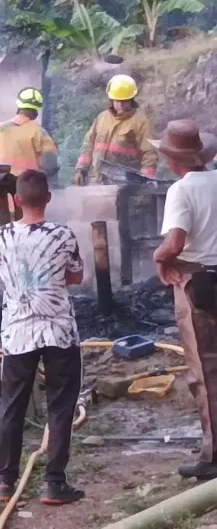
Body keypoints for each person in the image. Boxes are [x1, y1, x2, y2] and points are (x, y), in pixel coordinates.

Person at [0, 169, 85, 505]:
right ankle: (54, 484)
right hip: (58, 330)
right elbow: (76, 276)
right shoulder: (63, 235)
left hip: (18, 332)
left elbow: (0, 276)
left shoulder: (2, 237)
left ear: (17, 200)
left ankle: (4, 481)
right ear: (48, 198)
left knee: (12, 406)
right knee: (60, 406)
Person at [151, 120, 217, 480]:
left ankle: (213, 456)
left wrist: (160, 259)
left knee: (206, 372)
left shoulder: (181, 190)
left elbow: (175, 244)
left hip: (200, 283)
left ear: (171, 158)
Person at [0, 87, 59, 216]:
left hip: (3, 196)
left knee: (6, 230)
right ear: (36, 111)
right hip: (30, 196)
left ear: (18, 106)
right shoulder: (39, 132)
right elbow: (51, 166)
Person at [74, 75, 157, 185]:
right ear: (111, 100)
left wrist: (144, 181)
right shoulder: (102, 118)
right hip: (97, 181)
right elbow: (88, 144)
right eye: (117, 100)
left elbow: (149, 155)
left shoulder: (141, 123)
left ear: (131, 100)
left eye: (124, 101)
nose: (120, 104)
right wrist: (81, 169)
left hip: (125, 185)